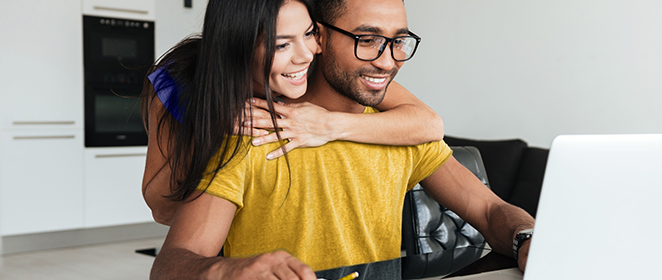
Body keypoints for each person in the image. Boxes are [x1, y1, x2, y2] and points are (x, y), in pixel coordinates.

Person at [150, 0, 535, 279]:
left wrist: (528, 240)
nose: (388, 61)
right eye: (366, 39)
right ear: (321, 35)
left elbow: (490, 211)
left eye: (398, 41)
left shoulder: (399, 132)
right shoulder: (252, 129)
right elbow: (171, 261)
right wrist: (227, 270)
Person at [141, 0, 444, 225]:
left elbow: (428, 124)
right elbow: (161, 210)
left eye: (309, 34)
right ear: (240, 49)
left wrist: (327, 124)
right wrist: (212, 125)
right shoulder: (179, 83)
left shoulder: (318, 63)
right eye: (282, 44)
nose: (305, 54)